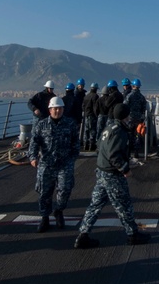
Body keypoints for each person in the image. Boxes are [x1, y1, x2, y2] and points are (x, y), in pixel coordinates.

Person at [74, 104, 150, 248]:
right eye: (128, 116)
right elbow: (114, 155)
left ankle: (83, 234)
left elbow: (100, 147)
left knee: (95, 205)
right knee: (124, 205)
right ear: (124, 117)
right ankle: (133, 234)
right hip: (112, 176)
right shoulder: (119, 132)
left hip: (102, 173)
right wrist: (125, 169)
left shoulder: (108, 128)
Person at [29, 97, 81, 232]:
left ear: (63, 109)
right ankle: (44, 218)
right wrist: (33, 157)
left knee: (65, 189)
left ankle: (59, 211)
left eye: (60, 108)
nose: (57, 111)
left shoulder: (70, 124)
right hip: (46, 164)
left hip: (64, 164)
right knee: (44, 193)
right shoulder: (41, 125)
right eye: (55, 109)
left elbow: (75, 143)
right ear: (50, 110)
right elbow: (34, 142)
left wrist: (72, 158)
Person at [124, 78, 148, 151]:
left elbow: (125, 105)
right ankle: (137, 148)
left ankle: (130, 147)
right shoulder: (142, 97)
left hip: (130, 118)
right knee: (137, 133)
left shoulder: (129, 96)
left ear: (133, 86)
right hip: (139, 118)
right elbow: (144, 108)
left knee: (130, 132)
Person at [81, 83, 100, 151]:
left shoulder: (86, 96)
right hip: (92, 116)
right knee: (92, 130)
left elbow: (83, 106)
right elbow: (96, 107)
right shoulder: (95, 96)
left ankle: (85, 144)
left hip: (86, 115)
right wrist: (96, 114)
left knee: (86, 131)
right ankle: (91, 145)